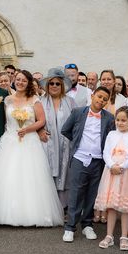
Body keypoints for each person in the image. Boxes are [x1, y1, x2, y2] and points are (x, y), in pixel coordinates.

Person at [0, 70, 64, 226]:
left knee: (30, 176)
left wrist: (27, 130)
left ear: (28, 83)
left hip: (29, 141)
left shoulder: (35, 100)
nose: (20, 82)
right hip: (9, 140)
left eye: (24, 80)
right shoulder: (7, 99)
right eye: (18, 79)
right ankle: (4, 213)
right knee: (7, 175)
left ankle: (33, 214)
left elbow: (41, 121)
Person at [61, 86, 116, 242]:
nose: (101, 100)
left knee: (92, 193)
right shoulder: (78, 112)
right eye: (99, 96)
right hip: (80, 157)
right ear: (92, 96)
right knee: (76, 193)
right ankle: (70, 227)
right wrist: (78, 142)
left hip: (98, 160)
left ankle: (87, 225)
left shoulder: (109, 118)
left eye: (105, 99)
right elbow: (65, 130)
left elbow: (110, 138)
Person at [94, 107, 128, 250]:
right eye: (118, 120)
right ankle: (109, 236)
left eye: (123, 120)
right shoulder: (111, 134)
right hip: (112, 172)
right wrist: (112, 165)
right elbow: (105, 152)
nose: (120, 123)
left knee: (125, 207)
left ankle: (124, 237)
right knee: (111, 205)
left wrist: (122, 166)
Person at [40, 67, 77, 208]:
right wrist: (39, 132)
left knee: (65, 172)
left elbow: (77, 122)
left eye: (57, 83)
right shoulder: (40, 101)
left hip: (66, 144)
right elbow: (33, 120)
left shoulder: (71, 102)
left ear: (62, 85)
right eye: (51, 83)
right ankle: (48, 206)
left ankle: (64, 206)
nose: (54, 86)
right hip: (46, 143)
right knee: (48, 172)